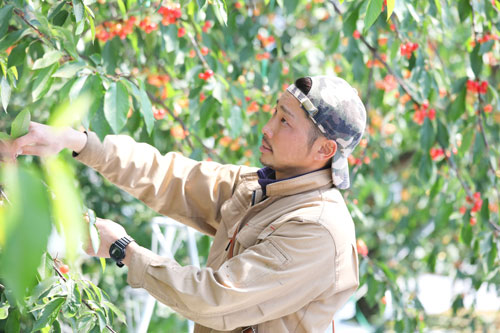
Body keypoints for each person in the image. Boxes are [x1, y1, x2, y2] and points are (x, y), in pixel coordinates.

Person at [7, 75, 366, 332]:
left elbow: (217, 299)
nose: (267, 128)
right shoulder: (262, 186)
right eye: (275, 112)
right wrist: (79, 142)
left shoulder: (316, 229)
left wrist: (124, 251)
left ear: (324, 150)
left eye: (285, 122)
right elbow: (171, 178)